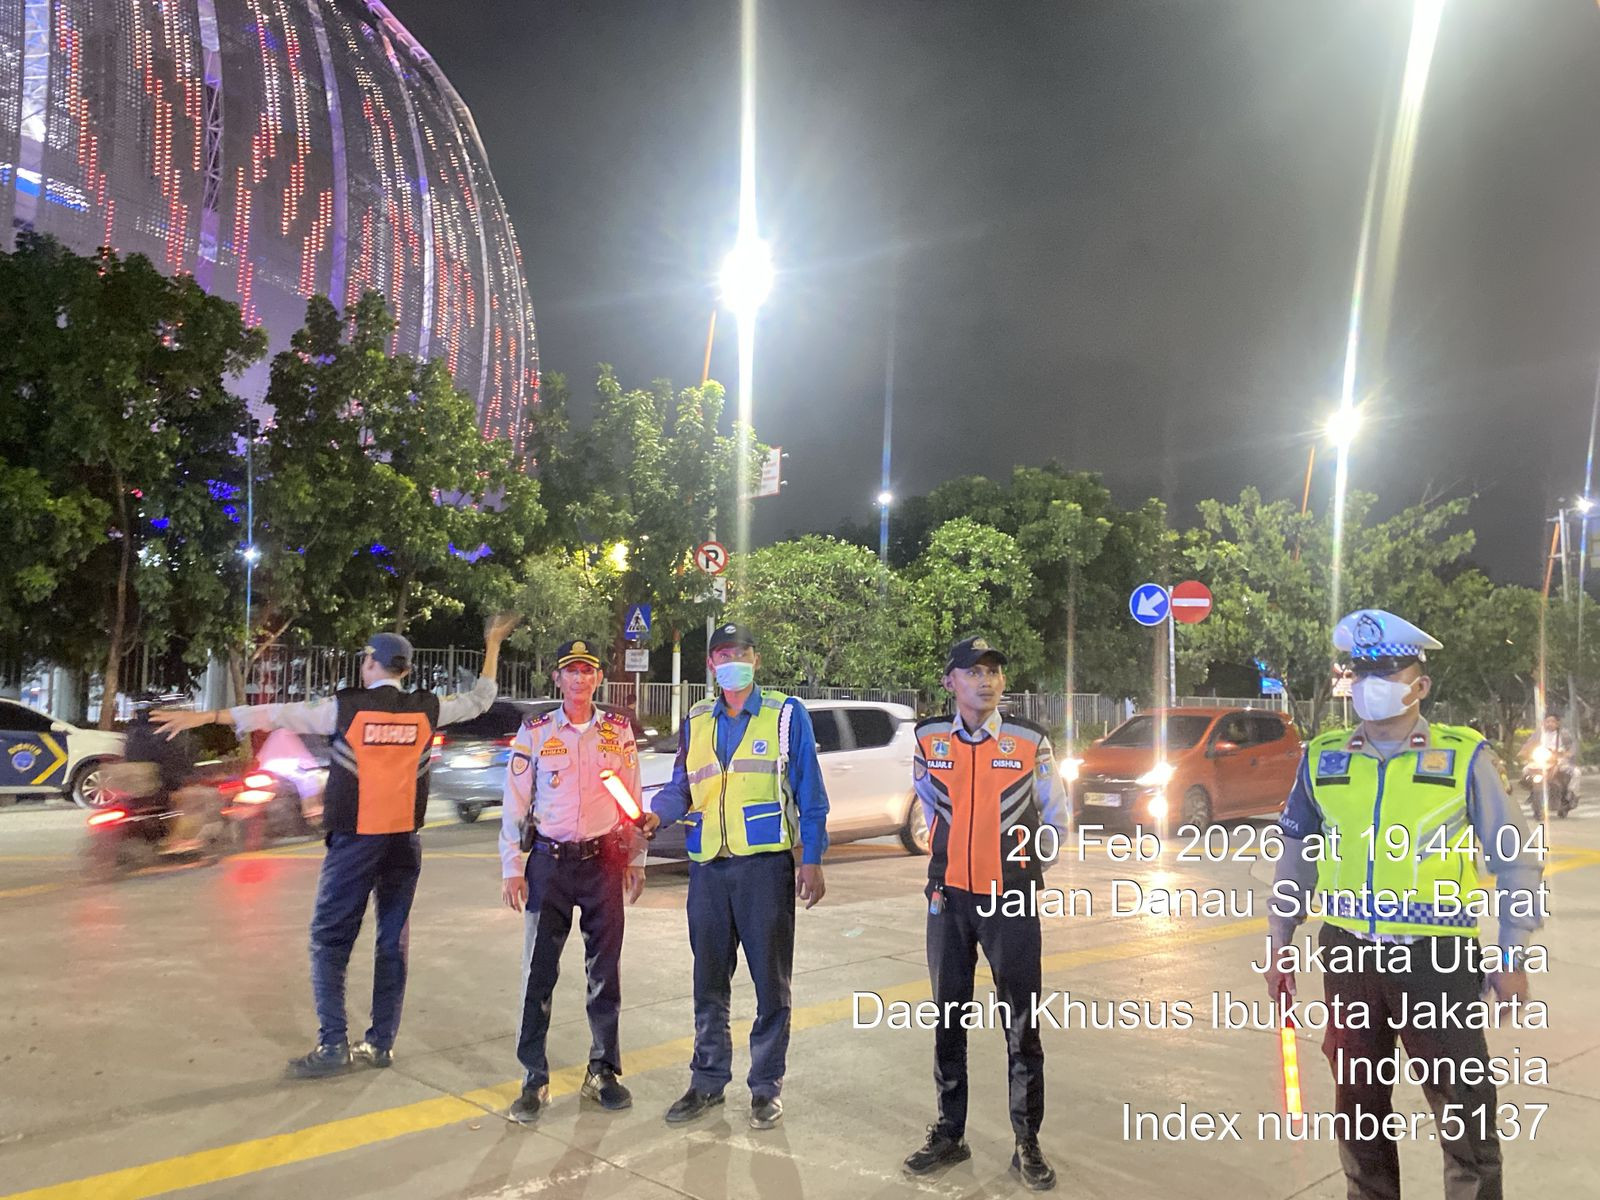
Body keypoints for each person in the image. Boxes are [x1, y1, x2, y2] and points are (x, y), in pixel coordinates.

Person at [155, 614, 517, 1077]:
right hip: (404, 842)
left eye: (366, 658)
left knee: (329, 940)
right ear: (404, 670)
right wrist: (491, 645)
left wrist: (206, 717)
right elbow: (481, 699)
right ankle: (381, 1043)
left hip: (354, 842)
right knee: (392, 941)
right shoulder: (428, 708)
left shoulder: (341, 709)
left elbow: (273, 713)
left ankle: (333, 1047)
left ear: (372, 663)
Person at [1267, 608, 1546, 1200]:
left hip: (1436, 960)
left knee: (1465, 1115)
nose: (1370, 685)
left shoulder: (1465, 758)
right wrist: (1279, 941)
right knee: (1359, 1112)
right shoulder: (1321, 758)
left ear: (1419, 685)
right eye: (1361, 671)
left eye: (1386, 672)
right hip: (1347, 957)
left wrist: (1512, 951)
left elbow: (1515, 860)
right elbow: (1296, 857)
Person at [901, 635, 1068, 1192]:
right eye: (974, 671)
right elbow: (927, 805)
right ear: (950, 680)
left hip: (1011, 902)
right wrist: (943, 857)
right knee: (948, 1018)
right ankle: (950, 1131)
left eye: (994, 671)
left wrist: (1022, 868)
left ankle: (1027, 1141)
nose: (987, 680)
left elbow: (1057, 816)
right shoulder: (927, 737)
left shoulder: (1029, 741)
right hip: (947, 899)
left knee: (1021, 1024)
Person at [649, 622, 830, 1131]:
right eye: (723, 653)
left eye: (741, 651)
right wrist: (655, 815)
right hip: (707, 868)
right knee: (708, 981)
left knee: (771, 985)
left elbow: (811, 794)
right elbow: (682, 785)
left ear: (756, 657)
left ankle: (765, 1088)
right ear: (710, 664)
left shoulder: (785, 716)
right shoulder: (698, 718)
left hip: (764, 869)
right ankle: (707, 1081)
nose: (733, 660)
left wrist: (811, 859)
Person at [500, 638, 649, 1122]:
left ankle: (603, 1071)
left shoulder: (618, 731)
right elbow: (515, 803)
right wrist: (512, 866)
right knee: (538, 973)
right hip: (549, 864)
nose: (580, 679)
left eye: (588, 671)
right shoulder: (537, 731)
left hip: (603, 861)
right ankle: (533, 1078)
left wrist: (636, 859)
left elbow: (632, 799)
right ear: (558, 679)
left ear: (599, 678)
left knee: (605, 972)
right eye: (571, 671)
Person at [1518, 711, 1576, 818]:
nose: (1549, 724)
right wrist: (1522, 752)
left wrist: (1566, 754)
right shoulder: (1538, 734)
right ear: (1544, 722)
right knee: (1526, 770)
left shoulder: (1564, 734)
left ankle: (1569, 795)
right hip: (1541, 760)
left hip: (1559, 760)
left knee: (1576, 773)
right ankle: (1532, 791)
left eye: (1552, 721)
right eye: (1547, 721)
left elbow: (1572, 748)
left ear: (1557, 723)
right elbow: (1528, 744)